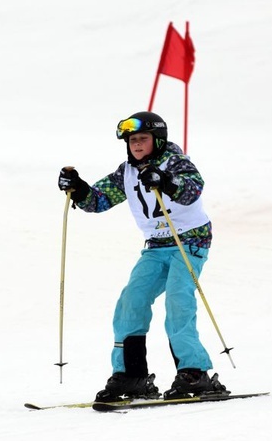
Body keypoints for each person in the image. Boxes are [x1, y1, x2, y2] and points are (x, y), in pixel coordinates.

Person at [57, 111, 230, 402]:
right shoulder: (127, 171)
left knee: (178, 301)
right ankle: (131, 376)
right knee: (130, 302)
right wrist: (78, 188)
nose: (136, 145)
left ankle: (194, 372)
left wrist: (166, 180)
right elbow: (99, 199)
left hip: (189, 241)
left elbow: (192, 189)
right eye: (132, 140)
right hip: (156, 246)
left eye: (143, 139)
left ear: (158, 140)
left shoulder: (175, 161)